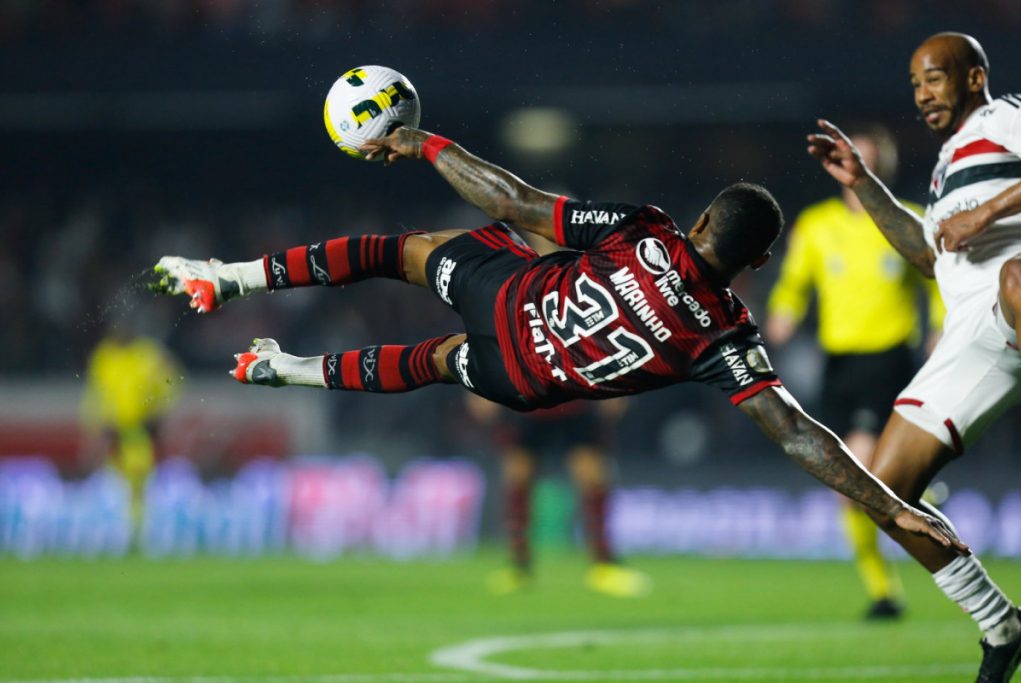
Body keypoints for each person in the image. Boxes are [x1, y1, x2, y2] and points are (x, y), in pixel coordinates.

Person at [151, 124, 966, 578]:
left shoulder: (648, 230)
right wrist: (884, 501)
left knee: (399, 252)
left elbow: (514, 200)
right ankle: (287, 369)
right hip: (523, 378)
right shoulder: (727, 334)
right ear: (758, 262)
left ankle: (230, 278)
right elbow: (794, 433)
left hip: (505, 296)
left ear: (701, 222)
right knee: (433, 361)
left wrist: (425, 143)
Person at [807, 32, 1021, 682]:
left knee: (1017, 275)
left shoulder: (1006, 115)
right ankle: (1002, 624)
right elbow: (929, 255)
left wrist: (987, 213)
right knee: (883, 489)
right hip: (974, 333)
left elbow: (982, 230)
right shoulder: (946, 164)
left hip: (1016, 293)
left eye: (935, 77)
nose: (923, 93)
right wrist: (864, 184)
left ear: (974, 77)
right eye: (915, 84)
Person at [766, 125, 944, 620]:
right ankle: (884, 587)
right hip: (837, 364)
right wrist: (783, 312)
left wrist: (940, 326)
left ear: (883, 168)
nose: (859, 171)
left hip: (888, 360)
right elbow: (795, 282)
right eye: (852, 162)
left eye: (869, 162)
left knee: (861, 468)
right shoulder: (817, 226)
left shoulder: (908, 220)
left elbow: (937, 281)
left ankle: (917, 508)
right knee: (846, 487)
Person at [468, 394, 649, 597]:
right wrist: (477, 391)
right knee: (517, 476)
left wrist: (617, 391)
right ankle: (518, 566)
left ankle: (603, 565)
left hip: (575, 397)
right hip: (526, 399)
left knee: (592, 476)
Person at [81, 328, 181, 534]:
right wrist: (95, 427)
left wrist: (160, 413)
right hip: (114, 432)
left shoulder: (147, 354)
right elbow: (96, 395)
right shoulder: (104, 356)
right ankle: (124, 529)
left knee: (139, 480)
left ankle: (139, 529)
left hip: (140, 431)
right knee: (115, 483)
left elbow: (169, 384)